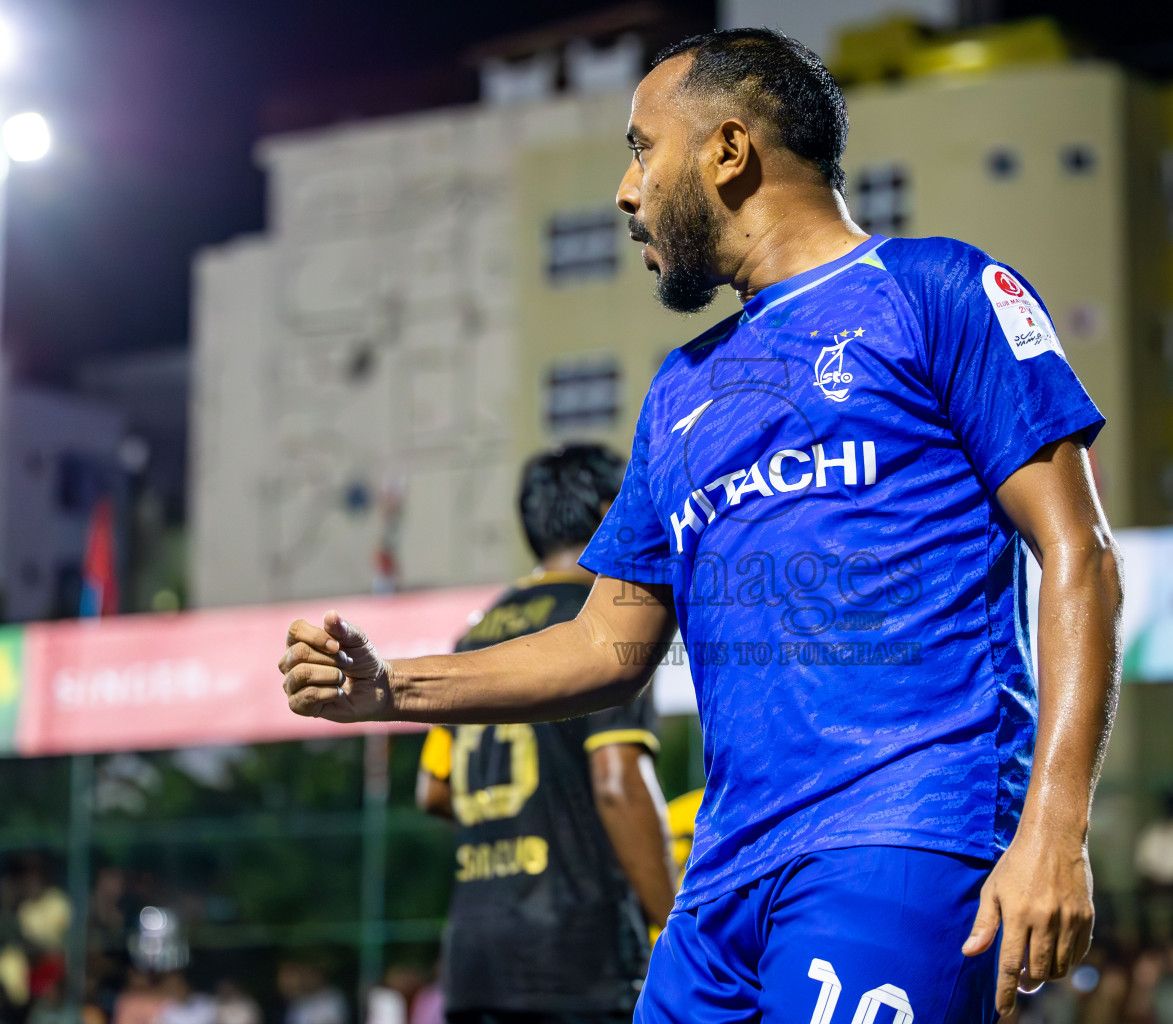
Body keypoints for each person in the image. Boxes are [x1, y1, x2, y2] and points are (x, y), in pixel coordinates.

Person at [281, 27, 1122, 1022]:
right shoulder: (679, 391)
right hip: (720, 890)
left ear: (727, 151)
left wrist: (1055, 829)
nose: (627, 191)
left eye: (642, 147)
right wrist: (388, 686)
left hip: (899, 840)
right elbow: (604, 643)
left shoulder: (939, 291)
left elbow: (1079, 551)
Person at [414, 444, 677, 1024]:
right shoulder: (604, 624)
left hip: (475, 959)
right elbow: (617, 782)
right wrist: (677, 926)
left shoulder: (476, 634)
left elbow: (432, 790)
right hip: (578, 955)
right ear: (615, 510)